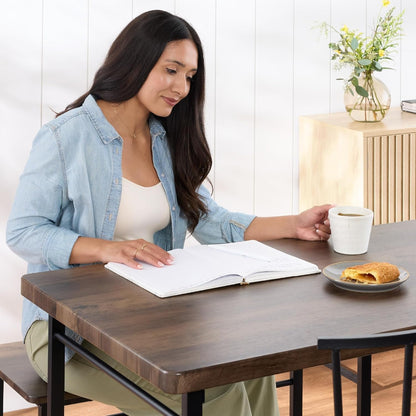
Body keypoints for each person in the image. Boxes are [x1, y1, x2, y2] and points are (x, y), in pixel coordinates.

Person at [6, 9, 331, 416]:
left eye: (190, 76)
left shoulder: (164, 139)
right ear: (136, 61)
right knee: (217, 396)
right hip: (67, 334)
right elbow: (23, 231)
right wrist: (107, 249)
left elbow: (210, 218)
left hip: (149, 321)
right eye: (171, 70)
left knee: (253, 368)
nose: (181, 86)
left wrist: (293, 224)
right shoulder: (65, 136)